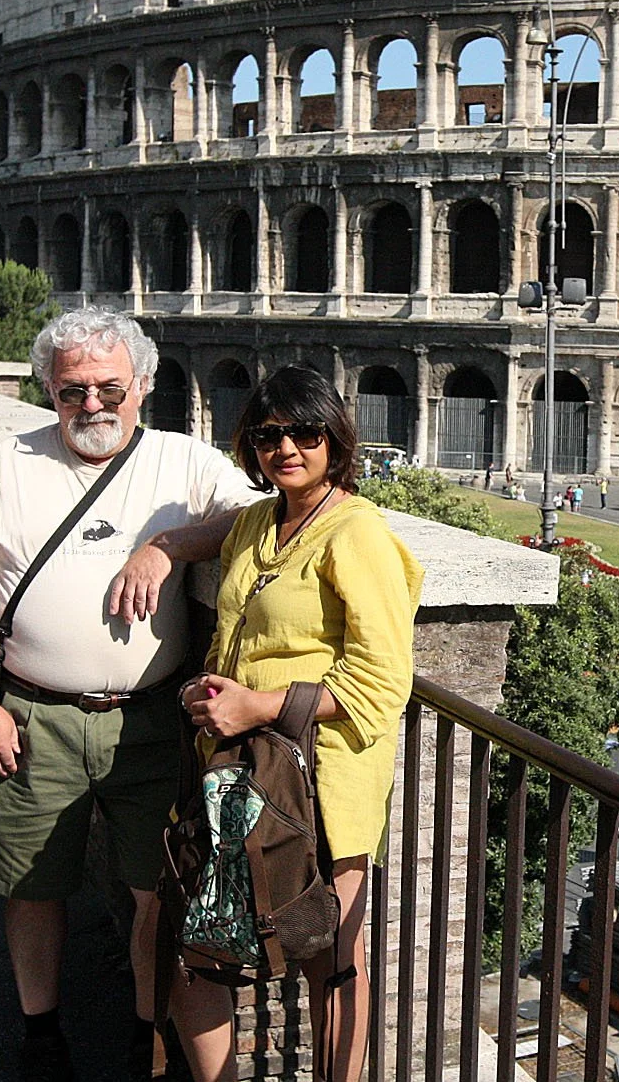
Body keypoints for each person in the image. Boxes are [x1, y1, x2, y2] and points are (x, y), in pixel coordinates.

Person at [0, 309, 262, 1080]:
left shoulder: (183, 461)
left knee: (157, 888)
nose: (92, 405)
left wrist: (169, 544)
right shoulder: (5, 465)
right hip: (29, 714)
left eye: (109, 387)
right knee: (30, 886)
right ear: (47, 388)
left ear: (142, 385)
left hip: (150, 722)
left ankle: (144, 1031)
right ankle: (40, 1029)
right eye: (72, 390)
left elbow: (257, 515)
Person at [176, 367, 421, 1082]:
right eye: (267, 433)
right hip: (239, 767)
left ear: (334, 438)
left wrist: (258, 703)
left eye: (305, 431)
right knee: (204, 948)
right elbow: (235, 633)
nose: (287, 447)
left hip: (324, 780)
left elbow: (379, 681)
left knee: (329, 956)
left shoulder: (358, 532)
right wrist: (209, 687)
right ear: (250, 445)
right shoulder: (255, 522)